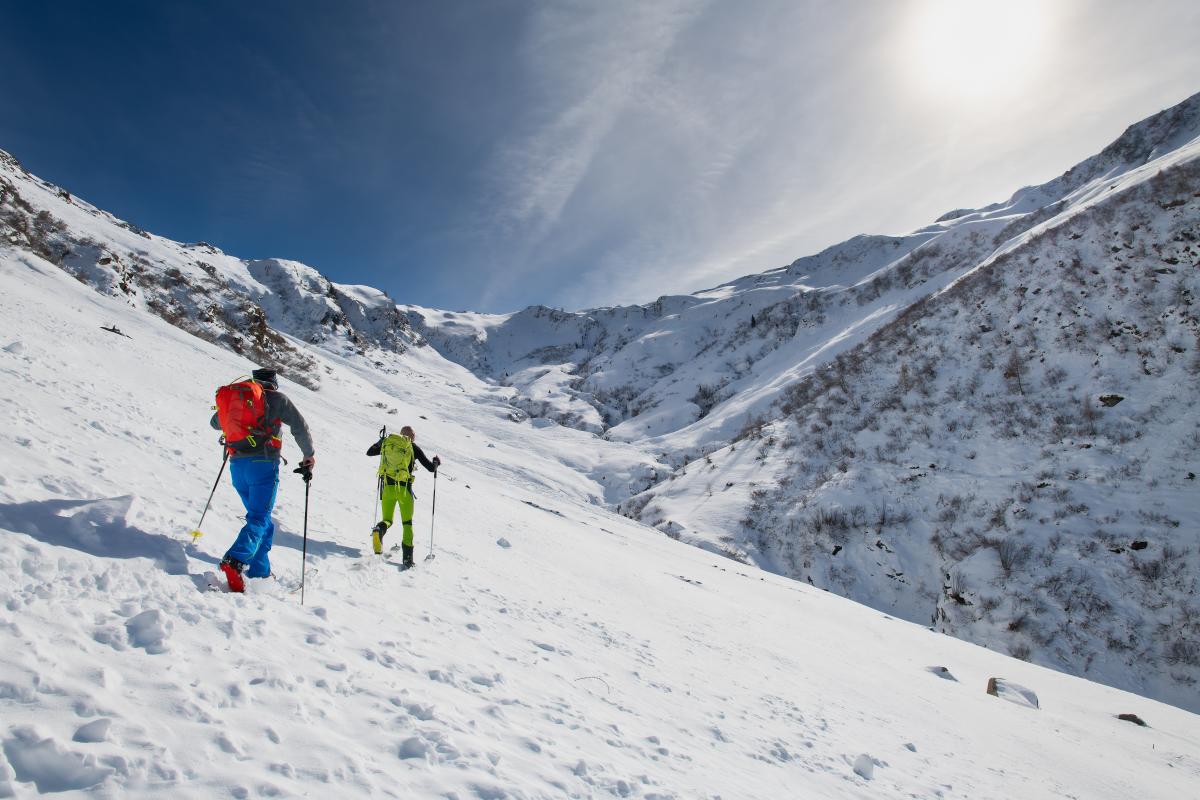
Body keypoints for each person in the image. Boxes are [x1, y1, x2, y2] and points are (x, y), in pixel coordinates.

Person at [212, 367, 315, 592]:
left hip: (237, 465)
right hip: (263, 465)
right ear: (274, 383)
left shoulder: (239, 398)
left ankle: (260, 572)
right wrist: (308, 454)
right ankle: (235, 559)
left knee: (262, 520)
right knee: (259, 518)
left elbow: (215, 422)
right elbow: (299, 426)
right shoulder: (277, 399)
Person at [368, 425, 440, 568]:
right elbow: (431, 468)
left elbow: (369, 452)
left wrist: (380, 441)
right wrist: (436, 462)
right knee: (407, 523)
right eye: (414, 435)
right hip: (404, 491)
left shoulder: (388, 444)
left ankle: (379, 530)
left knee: (387, 519)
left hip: (388, 489)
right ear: (411, 437)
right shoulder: (413, 447)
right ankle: (407, 559)